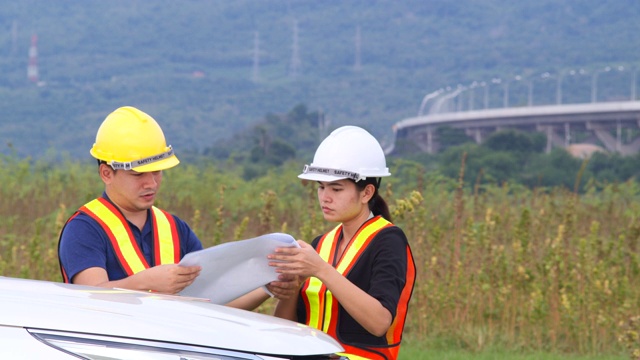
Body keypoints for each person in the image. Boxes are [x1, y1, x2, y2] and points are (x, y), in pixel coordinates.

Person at [58, 106, 291, 308]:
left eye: (157, 171)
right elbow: (91, 299)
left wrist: (266, 287)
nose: (151, 183)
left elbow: (210, 305)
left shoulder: (174, 229)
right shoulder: (85, 229)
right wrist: (146, 282)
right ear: (106, 173)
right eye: (138, 174)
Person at [269, 126, 416, 360]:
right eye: (321, 187)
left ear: (367, 193)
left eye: (336, 189)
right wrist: (292, 287)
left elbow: (379, 323)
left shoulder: (388, 241)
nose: (325, 197)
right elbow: (284, 329)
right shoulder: (320, 244)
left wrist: (320, 269)